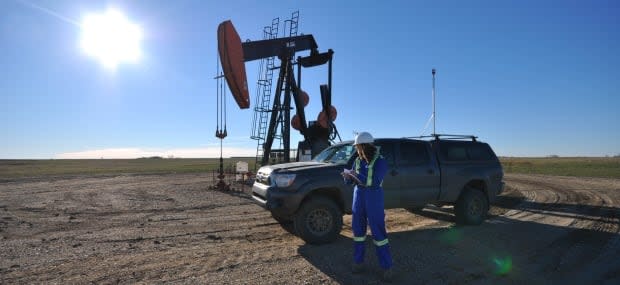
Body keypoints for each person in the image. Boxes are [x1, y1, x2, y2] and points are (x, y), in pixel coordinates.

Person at [341, 131, 393, 282]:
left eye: (358, 147)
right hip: (359, 197)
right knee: (358, 230)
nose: (356, 150)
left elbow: (374, 181)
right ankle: (358, 262)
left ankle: (387, 266)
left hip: (374, 197)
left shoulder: (381, 161)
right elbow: (351, 181)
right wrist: (348, 177)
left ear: (364, 146)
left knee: (378, 231)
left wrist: (356, 176)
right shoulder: (358, 160)